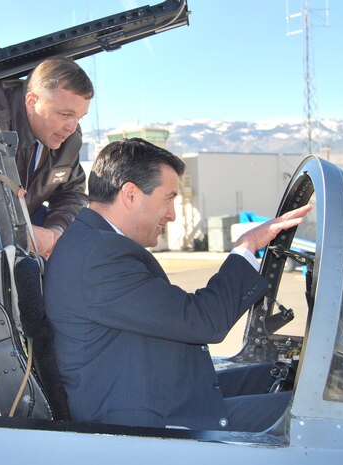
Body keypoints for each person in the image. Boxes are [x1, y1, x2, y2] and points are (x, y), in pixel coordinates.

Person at [44, 138, 313, 432]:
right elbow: (201, 320)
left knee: (285, 377)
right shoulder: (99, 255)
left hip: (156, 393)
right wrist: (247, 247)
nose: (172, 215)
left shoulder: (92, 244)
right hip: (144, 423)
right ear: (131, 195)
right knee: (307, 415)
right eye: (168, 198)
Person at [0, 58, 93, 258]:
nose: (72, 127)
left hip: (24, 220)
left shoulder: (69, 139)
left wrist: (57, 230)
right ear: (31, 101)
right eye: (65, 114)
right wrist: (22, 235)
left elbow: (72, 192)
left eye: (79, 117)